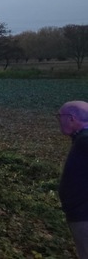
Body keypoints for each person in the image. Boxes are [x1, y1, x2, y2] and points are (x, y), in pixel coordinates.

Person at [58, 100, 88, 257]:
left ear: (71, 118)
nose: (58, 120)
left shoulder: (84, 139)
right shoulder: (82, 138)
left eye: (59, 116)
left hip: (84, 215)